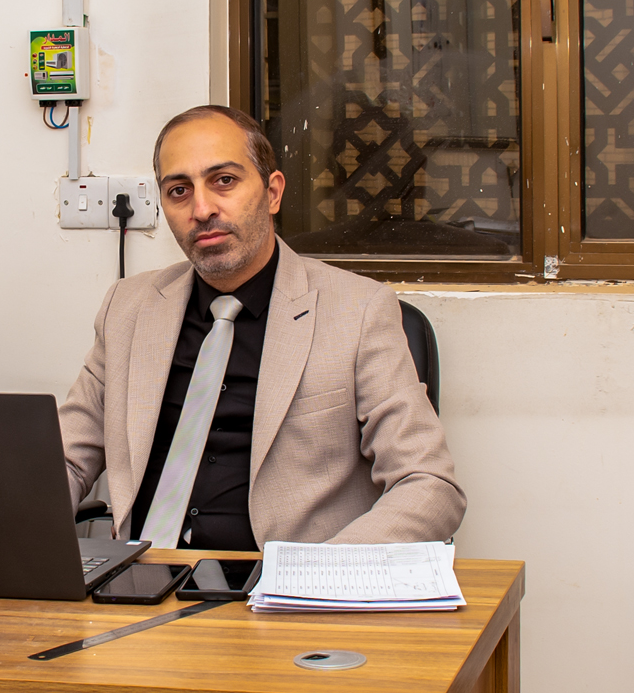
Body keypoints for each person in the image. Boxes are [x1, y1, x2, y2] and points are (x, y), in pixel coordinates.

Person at [58, 105, 465, 548]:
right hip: (143, 573)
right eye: (179, 190)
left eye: (224, 181)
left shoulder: (358, 311)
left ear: (272, 193)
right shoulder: (128, 308)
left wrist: (316, 575)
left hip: (284, 581)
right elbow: (66, 460)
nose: (202, 208)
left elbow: (429, 484)